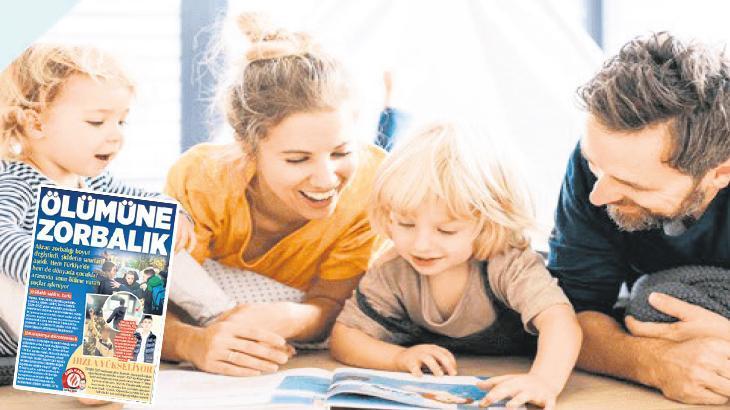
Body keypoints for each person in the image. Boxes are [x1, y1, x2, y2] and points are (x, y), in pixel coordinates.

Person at [163, 13, 385, 377]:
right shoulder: (204, 178)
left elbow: (334, 303)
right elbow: (150, 291)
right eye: (297, 159)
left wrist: (294, 317)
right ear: (248, 149)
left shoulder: (370, 185)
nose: (326, 179)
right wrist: (190, 343)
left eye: (341, 152)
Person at [331, 122, 581, 410]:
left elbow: (560, 321)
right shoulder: (392, 270)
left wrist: (543, 380)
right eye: (406, 224)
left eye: (446, 230)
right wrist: (398, 358)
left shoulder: (508, 262)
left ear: (487, 224)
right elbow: (345, 337)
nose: (421, 245)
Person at [547, 32, 730, 405]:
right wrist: (653, 363)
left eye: (632, 185)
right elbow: (565, 316)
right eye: (595, 168)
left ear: (719, 174)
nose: (598, 196)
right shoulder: (606, 161)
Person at [0, 43, 195, 384]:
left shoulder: (95, 182)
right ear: (36, 124)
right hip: (17, 331)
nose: (116, 135)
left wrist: (173, 213)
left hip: (74, 314)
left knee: (156, 225)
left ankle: (219, 313)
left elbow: (143, 201)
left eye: (121, 121)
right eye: (97, 122)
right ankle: (72, 366)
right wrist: (57, 265)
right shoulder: (18, 182)